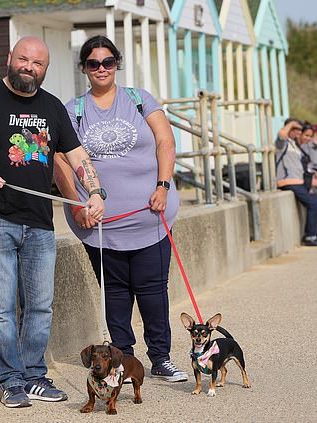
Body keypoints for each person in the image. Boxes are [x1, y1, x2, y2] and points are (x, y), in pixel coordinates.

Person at [0, 36, 106, 409]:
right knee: (0, 306)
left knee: (40, 306)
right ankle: (10, 380)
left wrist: (96, 193)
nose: (28, 67)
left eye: (37, 64)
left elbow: (78, 156)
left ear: (45, 70)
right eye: (23, 59)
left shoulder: (51, 107)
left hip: (39, 224)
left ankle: (34, 375)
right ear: (9, 58)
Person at [53, 35, 188, 382]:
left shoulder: (139, 100)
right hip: (101, 224)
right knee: (114, 293)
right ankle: (123, 361)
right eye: (93, 63)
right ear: (84, 68)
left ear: (117, 64)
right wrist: (77, 203)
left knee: (153, 290)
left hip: (150, 216)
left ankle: (160, 357)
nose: (101, 68)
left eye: (108, 62)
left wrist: (163, 186)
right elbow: (61, 159)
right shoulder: (73, 110)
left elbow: (165, 141)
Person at [275, 118, 317, 246]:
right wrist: (291, 124)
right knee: (314, 203)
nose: (298, 132)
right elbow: (281, 135)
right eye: (295, 129)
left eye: (299, 129)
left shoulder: (293, 145)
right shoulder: (283, 144)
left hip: (298, 181)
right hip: (287, 181)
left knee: (316, 199)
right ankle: (310, 236)